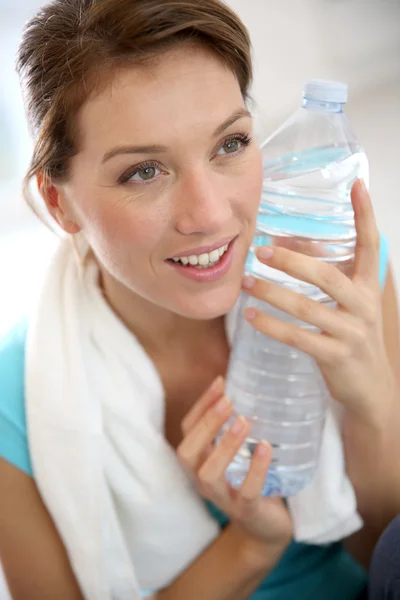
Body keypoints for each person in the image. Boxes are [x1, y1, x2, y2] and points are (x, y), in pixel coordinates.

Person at [0, 1, 399, 599]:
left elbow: (384, 556)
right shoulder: (17, 408)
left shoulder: (331, 273)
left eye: (230, 144)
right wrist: (250, 545)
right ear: (59, 204)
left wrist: (371, 402)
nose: (210, 215)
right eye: (143, 172)